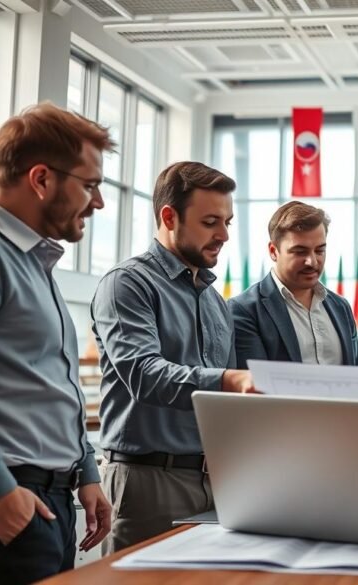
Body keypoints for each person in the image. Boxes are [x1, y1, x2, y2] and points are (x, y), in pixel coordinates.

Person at [0, 103, 113, 584]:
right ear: (41, 179)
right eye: (91, 185)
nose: (98, 203)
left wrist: (85, 472)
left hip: (48, 500)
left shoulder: (32, 260)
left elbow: (48, 384)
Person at [91, 161, 255, 555]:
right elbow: (145, 375)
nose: (224, 235)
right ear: (169, 216)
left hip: (214, 483)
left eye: (228, 222)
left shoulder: (216, 303)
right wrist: (228, 381)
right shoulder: (127, 284)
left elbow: (226, 406)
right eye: (211, 221)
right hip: (147, 482)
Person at [229, 201, 358, 368]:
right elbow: (256, 384)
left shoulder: (340, 307)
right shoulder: (244, 310)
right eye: (300, 252)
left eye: (320, 251)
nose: (312, 261)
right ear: (273, 251)